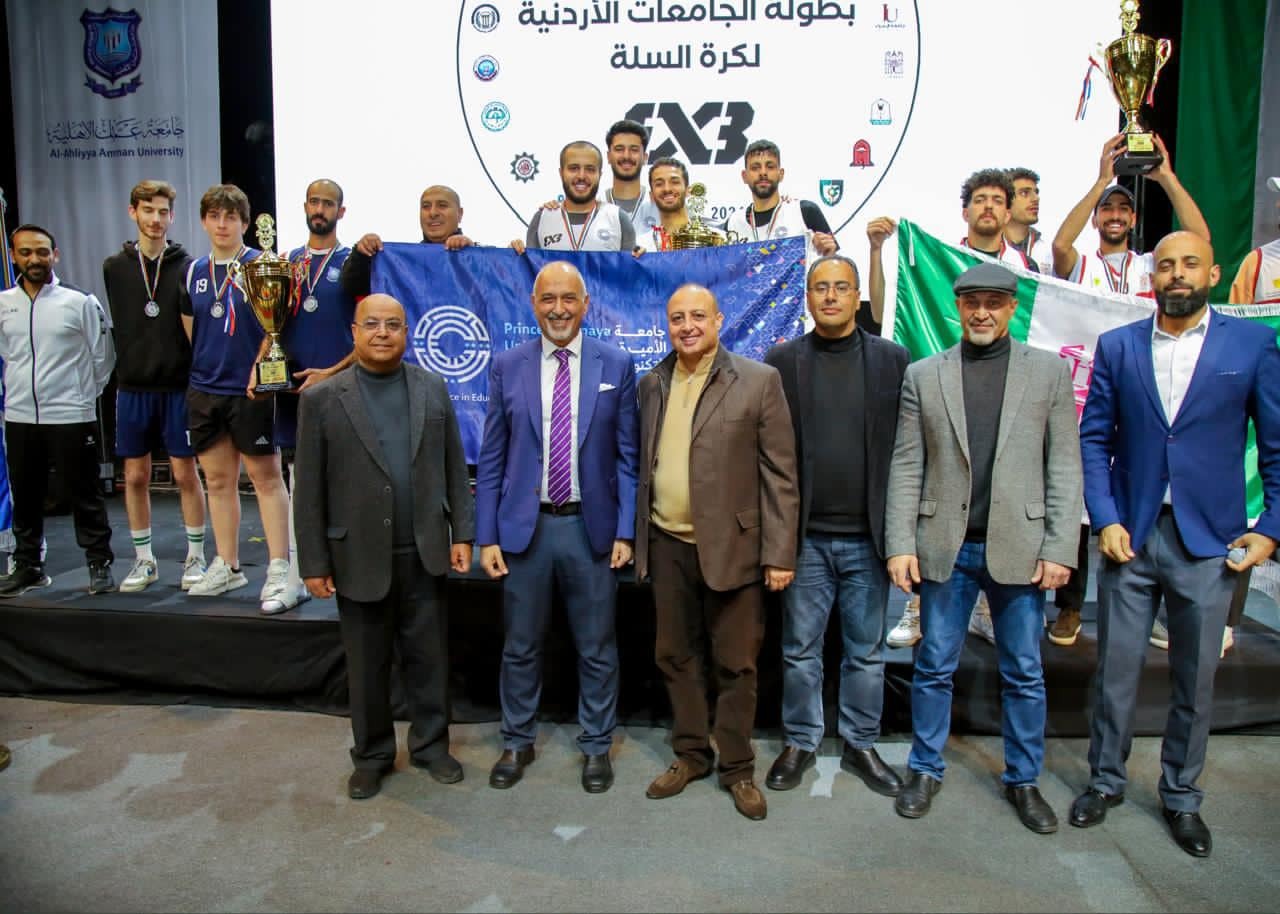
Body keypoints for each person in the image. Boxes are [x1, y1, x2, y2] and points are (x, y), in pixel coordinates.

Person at [1071, 231, 1280, 858]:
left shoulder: (1251, 345)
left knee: (1195, 678)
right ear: (1152, 277)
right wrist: (1105, 518)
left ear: (1212, 274)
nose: (1177, 274)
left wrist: (1270, 528)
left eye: (1190, 264)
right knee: (1115, 673)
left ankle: (1182, 796)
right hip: (1130, 537)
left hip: (1210, 542)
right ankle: (1105, 782)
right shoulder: (1118, 346)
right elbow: (1094, 439)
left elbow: (1276, 447)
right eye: (1166, 265)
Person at [885, 262, 1082, 833]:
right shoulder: (925, 375)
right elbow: (907, 465)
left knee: (1024, 672)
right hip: (945, 546)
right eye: (972, 302)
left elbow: (1064, 465)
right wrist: (900, 543)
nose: (982, 312)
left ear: (1012, 308)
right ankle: (925, 768)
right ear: (958, 307)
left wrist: (1060, 548)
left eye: (994, 302)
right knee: (933, 667)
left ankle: (1023, 779)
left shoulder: (1048, 373)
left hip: (1021, 546)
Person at [294, 292, 474, 800]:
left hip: (425, 551)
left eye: (393, 325)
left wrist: (462, 533)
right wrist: (313, 562)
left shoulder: (432, 388)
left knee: (429, 660)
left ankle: (431, 747)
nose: (382, 333)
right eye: (371, 324)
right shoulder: (321, 400)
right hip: (357, 556)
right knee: (367, 667)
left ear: (406, 333)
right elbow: (308, 490)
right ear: (354, 332)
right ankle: (372, 755)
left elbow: (454, 466)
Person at [636, 284, 799, 821]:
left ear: (719, 320)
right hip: (667, 544)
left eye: (697, 316)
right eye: (677, 318)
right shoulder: (652, 383)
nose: (687, 326)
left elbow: (780, 475)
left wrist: (779, 553)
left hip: (736, 548)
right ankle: (691, 754)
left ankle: (737, 767)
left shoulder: (758, 380)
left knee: (736, 664)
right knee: (675, 656)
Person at [475, 261, 638, 793]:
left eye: (569, 298)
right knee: (520, 647)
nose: (559, 309)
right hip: (526, 532)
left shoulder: (617, 364)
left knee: (597, 648)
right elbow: (492, 458)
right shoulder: (508, 365)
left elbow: (628, 458)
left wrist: (626, 530)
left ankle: (596, 745)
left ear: (586, 304)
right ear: (533, 304)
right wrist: (487, 535)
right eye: (549, 299)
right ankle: (517, 740)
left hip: (592, 532)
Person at [762, 255, 909, 796]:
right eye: (820, 288)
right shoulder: (781, 361)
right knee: (800, 650)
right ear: (807, 297)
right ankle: (800, 741)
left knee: (866, 653)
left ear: (856, 296)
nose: (830, 296)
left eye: (841, 288)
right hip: (804, 541)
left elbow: (907, 450)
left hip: (869, 540)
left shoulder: (892, 360)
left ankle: (860, 744)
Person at [179, 184, 291, 612]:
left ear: (245, 223)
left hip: (250, 390)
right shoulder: (193, 271)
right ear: (204, 221)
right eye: (215, 216)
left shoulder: (263, 265)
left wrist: (257, 369)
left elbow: (275, 327)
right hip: (205, 389)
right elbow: (192, 328)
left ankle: (279, 567)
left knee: (266, 479)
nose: (222, 224)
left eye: (231, 217)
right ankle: (227, 564)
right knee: (218, 482)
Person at [256, 178, 358, 611]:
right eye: (314, 202)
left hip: (344, 391)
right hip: (295, 393)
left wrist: (331, 374)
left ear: (341, 211)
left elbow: (367, 331)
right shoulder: (285, 263)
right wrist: (259, 368)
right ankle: (295, 578)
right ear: (304, 207)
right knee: (300, 486)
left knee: (350, 485)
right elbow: (271, 327)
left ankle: (356, 583)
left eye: (328, 203)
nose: (320, 209)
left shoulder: (354, 263)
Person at [102, 180, 207, 593]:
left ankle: (196, 554)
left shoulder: (187, 266)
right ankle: (144, 560)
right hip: (132, 387)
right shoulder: (114, 268)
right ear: (133, 212)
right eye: (148, 210)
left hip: (178, 387)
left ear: (172, 217)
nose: (156, 219)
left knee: (185, 473)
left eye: (163, 212)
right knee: (135, 475)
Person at [0, 224, 115, 596]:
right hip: (20, 417)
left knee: (85, 494)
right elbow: (7, 354)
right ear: (14, 256)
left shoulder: (80, 301)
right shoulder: (3, 304)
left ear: (55, 255)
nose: (34, 259)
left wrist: (82, 397)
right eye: (25, 252)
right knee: (25, 495)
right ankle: (29, 565)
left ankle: (99, 563)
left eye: (42, 252)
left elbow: (103, 358)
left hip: (71, 415)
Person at [1051, 133, 1210, 291]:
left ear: (1133, 220)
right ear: (1094, 220)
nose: (1115, 216)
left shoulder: (1150, 264)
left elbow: (1200, 241)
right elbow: (1060, 246)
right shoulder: (1083, 265)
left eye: (1123, 209)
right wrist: (1102, 181)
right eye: (1107, 208)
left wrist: (1167, 177)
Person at [340, 185, 475, 300]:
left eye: (442, 205)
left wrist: (472, 254)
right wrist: (362, 255)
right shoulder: (401, 263)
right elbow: (352, 288)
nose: (433, 213)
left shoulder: (480, 258)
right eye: (426, 207)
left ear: (460, 213)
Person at [512, 141, 638, 253]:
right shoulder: (542, 218)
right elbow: (531, 270)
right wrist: (514, 256)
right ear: (561, 173)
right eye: (573, 168)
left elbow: (630, 270)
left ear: (599, 174)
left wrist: (642, 258)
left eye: (590, 169)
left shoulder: (618, 219)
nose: (581, 176)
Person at [725, 140, 837, 263]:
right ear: (744, 176)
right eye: (755, 168)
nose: (763, 173)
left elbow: (834, 266)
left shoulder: (805, 212)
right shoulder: (733, 223)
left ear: (781, 174)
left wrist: (830, 254)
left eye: (770, 167)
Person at [1005, 167, 1053, 274]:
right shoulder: (988, 247)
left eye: (1036, 192)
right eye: (1024, 193)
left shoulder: (1048, 253)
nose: (1036, 198)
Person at [603, 119, 651, 221]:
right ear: (608, 156)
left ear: (645, 158)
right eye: (619, 149)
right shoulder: (595, 205)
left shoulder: (658, 204)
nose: (626, 156)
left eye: (634, 150)